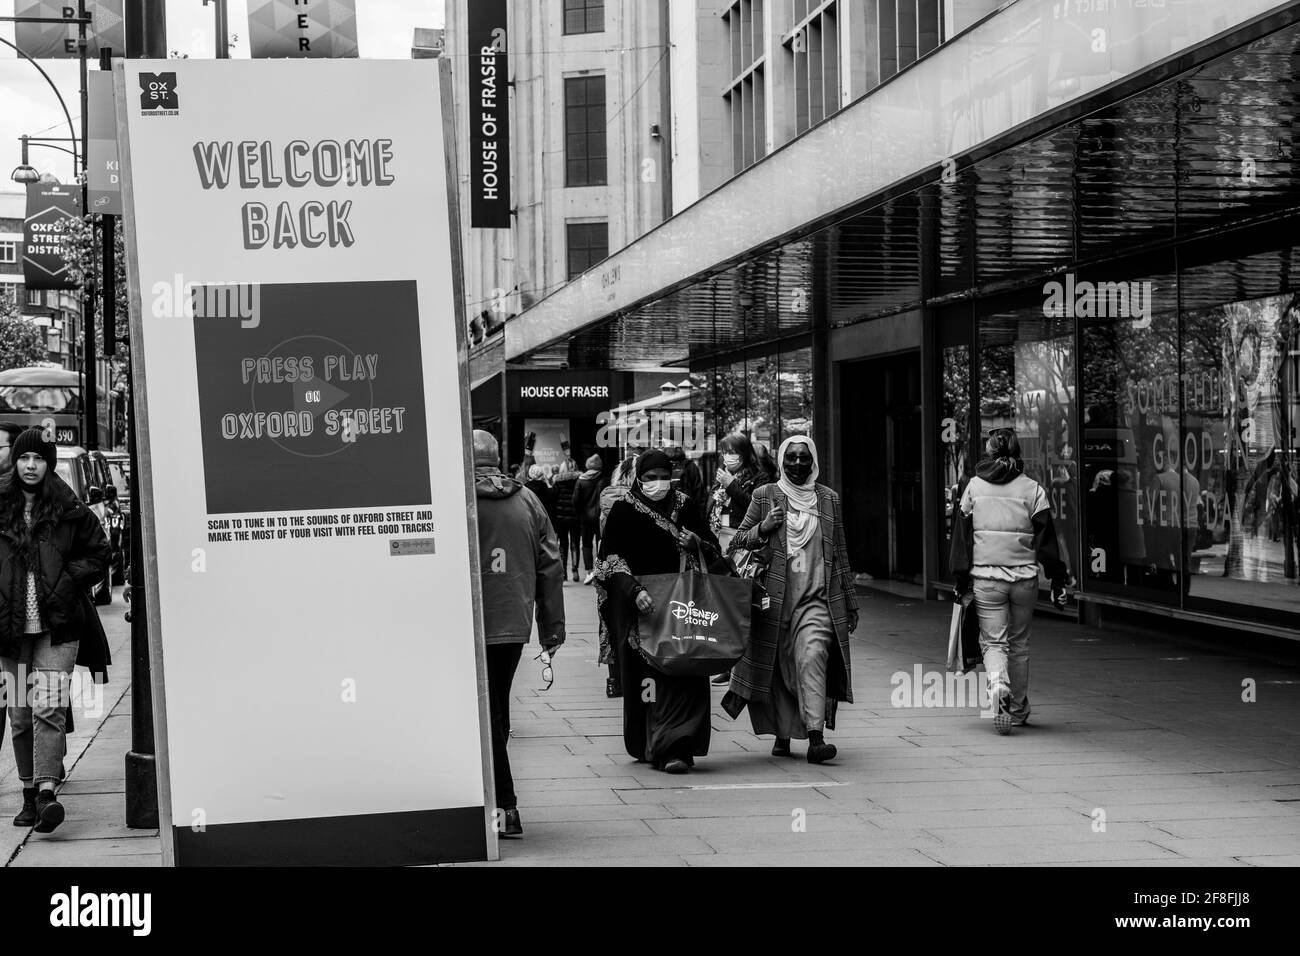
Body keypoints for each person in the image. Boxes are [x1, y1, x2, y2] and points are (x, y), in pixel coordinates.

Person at [0, 428, 111, 833]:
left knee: (48, 707)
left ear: (48, 464)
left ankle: (47, 793)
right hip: (10, 632)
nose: (31, 466)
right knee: (19, 715)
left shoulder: (67, 507)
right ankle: (28, 794)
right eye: (25, 458)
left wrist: (66, 580)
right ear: (16, 461)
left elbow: (100, 552)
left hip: (58, 627)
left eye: (39, 459)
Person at [722, 436, 857, 763]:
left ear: (813, 463)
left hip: (817, 602)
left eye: (804, 458)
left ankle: (815, 736)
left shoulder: (829, 500)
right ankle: (783, 734)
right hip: (776, 599)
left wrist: (850, 602)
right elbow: (737, 542)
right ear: (782, 461)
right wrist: (764, 528)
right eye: (791, 458)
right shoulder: (765, 495)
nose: (797, 464)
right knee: (780, 668)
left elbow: (840, 552)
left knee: (811, 657)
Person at [595, 451, 722, 773]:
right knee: (649, 679)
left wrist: (696, 543)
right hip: (642, 609)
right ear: (639, 478)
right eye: (650, 478)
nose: (657, 483)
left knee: (685, 674)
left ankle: (678, 747)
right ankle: (652, 744)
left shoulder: (686, 505)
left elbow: (712, 547)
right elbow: (609, 559)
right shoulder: (623, 509)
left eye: (663, 476)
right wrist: (633, 591)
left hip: (683, 607)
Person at [472, 430, 565, 838]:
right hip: (512, 624)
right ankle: (496, 802)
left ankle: (504, 807)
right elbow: (551, 565)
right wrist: (552, 628)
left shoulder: (460, 500)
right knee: (496, 709)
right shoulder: (527, 499)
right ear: (497, 458)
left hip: (471, 623)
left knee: (485, 716)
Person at [949, 428, 1068, 735]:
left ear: (988, 454)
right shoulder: (1033, 489)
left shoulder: (973, 486)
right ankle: (1017, 709)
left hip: (986, 578)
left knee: (992, 642)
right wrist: (1058, 580)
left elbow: (962, 538)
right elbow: (1047, 543)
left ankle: (998, 684)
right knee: (1019, 644)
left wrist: (961, 579)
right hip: (1024, 580)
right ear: (1018, 453)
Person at [707, 433, 765, 685]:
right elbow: (710, 507)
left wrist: (732, 485)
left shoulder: (758, 478)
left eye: (731, 451)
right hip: (721, 542)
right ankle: (728, 661)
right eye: (723, 452)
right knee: (723, 602)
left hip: (744, 545)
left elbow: (755, 508)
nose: (726, 456)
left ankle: (742, 664)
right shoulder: (721, 477)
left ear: (743, 453)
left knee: (740, 602)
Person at [596, 455, 637, 698]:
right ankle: (633, 677)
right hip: (632, 567)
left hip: (607, 568)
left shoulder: (606, 497)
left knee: (610, 623)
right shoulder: (634, 500)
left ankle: (614, 681)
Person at [572, 454, 606, 585]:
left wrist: (579, 514)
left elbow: (575, 500)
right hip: (600, 517)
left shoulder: (581, 480)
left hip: (585, 518)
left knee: (586, 544)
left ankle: (589, 571)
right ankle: (599, 570)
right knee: (600, 542)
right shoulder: (604, 479)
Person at [551, 461, 581, 582]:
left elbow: (553, 500)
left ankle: (563, 572)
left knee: (563, 544)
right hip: (575, 518)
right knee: (575, 543)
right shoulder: (579, 481)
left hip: (561, 518)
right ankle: (575, 570)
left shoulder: (557, 482)